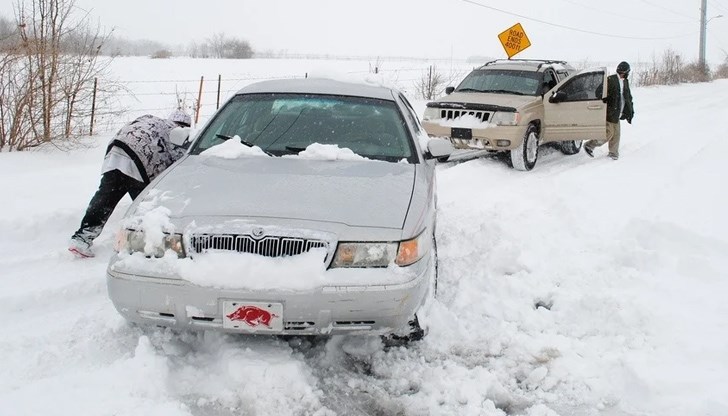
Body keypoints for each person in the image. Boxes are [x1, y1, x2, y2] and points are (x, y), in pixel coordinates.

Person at [68, 110, 192, 258]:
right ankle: (145, 245)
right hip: (140, 160)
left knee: (106, 197)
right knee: (146, 206)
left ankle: (82, 239)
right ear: (185, 126)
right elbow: (178, 164)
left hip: (117, 150)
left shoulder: (152, 120)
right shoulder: (177, 133)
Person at [584, 61, 635, 160]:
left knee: (616, 134)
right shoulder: (610, 79)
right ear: (624, 71)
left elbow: (628, 97)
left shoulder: (625, 81)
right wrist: (606, 98)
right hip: (611, 112)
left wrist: (630, 111)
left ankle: (613, 153)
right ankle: (589, 145)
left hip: (618, 112)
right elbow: (598, 92)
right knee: (608, 133)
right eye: (628, 72)